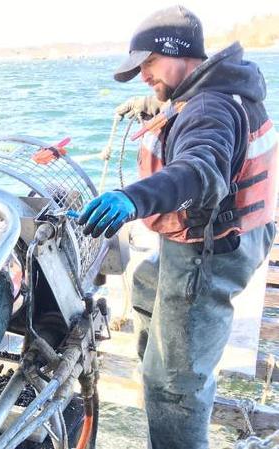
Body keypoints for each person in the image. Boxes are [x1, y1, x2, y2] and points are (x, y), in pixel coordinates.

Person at [77, 5, 277, 449]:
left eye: (148, 64)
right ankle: (164, 357)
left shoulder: (211, 110)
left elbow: (200, 171)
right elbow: (187, 104)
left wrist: (133, 198)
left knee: (174, 384)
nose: (144, 75)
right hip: (240, 230)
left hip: (210, 250)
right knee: (147, 284)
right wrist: (152, 104)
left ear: (179, 52)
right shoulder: (215, 85)